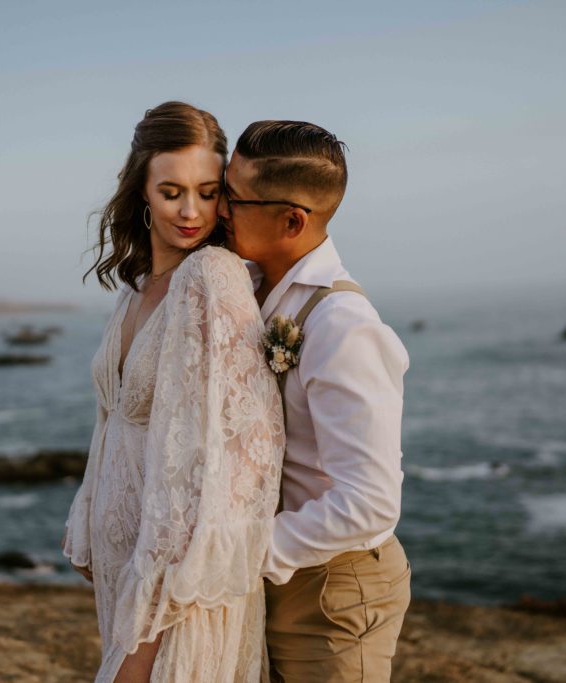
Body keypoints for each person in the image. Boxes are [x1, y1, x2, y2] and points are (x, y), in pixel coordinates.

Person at [61, 102, 285, 682]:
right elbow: (109, 421)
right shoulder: (136, 290)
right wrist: (88, 522)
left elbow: (235, 457)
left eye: (208, 192)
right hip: (122, 563)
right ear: (141, 190)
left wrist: (159, 608)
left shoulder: (212, 278)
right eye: (171, 192)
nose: (191, 212)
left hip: (175, 589)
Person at [218, 120, 411, 681]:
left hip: (332, 589)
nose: (218, 208)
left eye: (232, 197)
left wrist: (241, 554)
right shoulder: (245, 286)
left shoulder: (342, 326)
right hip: (280, 574)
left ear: (292, 220)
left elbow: (371, 502)